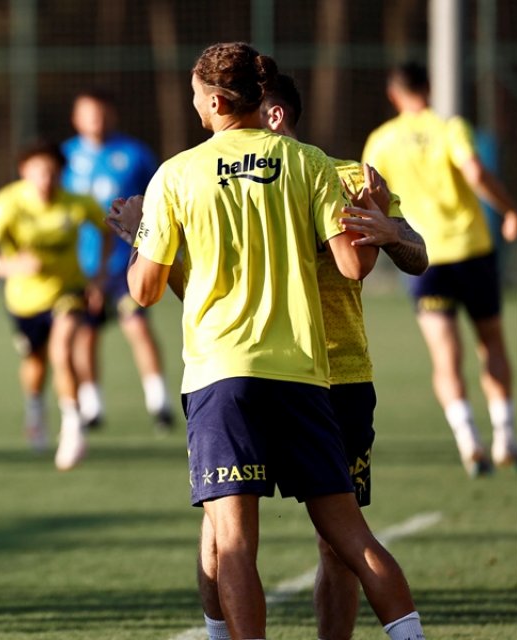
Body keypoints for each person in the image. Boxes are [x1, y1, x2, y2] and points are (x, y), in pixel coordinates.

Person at [112, 73, 429, 640]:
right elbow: (203, 291)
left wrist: (386, 230)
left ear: (274, 115)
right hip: (284, 371)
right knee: (224, 535)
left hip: (335, 376)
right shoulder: (244, 175)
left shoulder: (342, 175)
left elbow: (417, 254)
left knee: (327, 545)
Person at [362, 61, 517, 477]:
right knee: (492, 344)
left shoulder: (382, 140)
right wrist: (508, 210)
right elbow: (475, 173)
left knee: (445, 358)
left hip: (424, 259)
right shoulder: (451, 128)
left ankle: (469, 441)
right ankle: (504, 435)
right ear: (428, 89)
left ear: (394, 95)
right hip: (471, 250)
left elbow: (366, 192)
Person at [0, 140, 111, 469]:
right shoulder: (6, 205)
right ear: (24, 172)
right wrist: (13, 267)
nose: (46, 178)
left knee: (62, 350)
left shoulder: (77, 203)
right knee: (36, 363)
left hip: (68, 292)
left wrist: (98, 276)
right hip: (24, 301)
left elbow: (107, 229)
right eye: (39, 172)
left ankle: (72, 428)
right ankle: (35, 411)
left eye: (53, 172)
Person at [62, 90, 175, 435]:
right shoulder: (65, 157)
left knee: (137, 326)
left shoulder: (135, 154)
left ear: (111, 115)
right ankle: (91, 404)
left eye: (101, 112)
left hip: (126, 264)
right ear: (76, 118)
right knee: (86, 333)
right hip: (81, 268)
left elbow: (159, 200)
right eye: (88, 113)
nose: (95, 119)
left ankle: (159, 402)